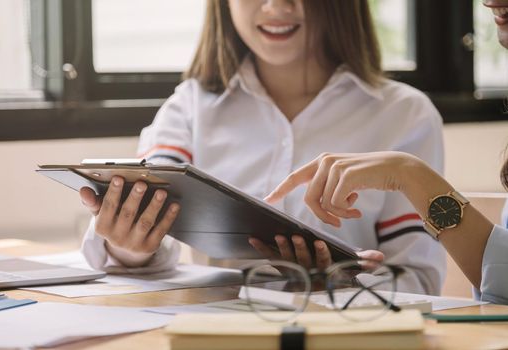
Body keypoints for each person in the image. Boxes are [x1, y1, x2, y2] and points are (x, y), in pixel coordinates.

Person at [79, 0, 446, 294]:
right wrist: (131, 243)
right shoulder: (190, 106)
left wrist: (339, 283)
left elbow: (420, 281)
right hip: (218, 331)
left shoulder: (405, 115)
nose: (275, 7)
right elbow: (152, 247)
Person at [264, 0, 508, 304]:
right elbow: (501, 289)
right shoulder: (191, 105)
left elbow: (487, 290)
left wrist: (410, 174)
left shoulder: (405, 112)